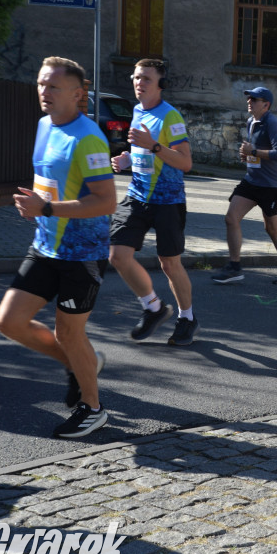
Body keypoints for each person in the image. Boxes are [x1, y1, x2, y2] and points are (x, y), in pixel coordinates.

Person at [0, 57, 116, 438]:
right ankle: (84, 364)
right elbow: (52, 180)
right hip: (45, 245)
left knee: (69, 332)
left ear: (78, 94)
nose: (44, 92)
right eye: (41, 84)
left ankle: (93, 408)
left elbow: (106, 201)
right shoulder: (44, 125)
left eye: (53, 87)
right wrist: (37, 203)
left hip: (83, 253)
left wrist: (46, 207)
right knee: (8, 322)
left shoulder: (89, 137)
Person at [108, 59, 197, 346]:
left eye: (146, 78)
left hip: (168, 200)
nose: (139, 83)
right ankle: (153, 307)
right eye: (136, 77)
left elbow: (185, 162)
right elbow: (143, 155)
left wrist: (154, 146)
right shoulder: (136, 111)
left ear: (161, 84)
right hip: (137, 196)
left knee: (170, 264)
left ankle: (187, 317)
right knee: (117, 254)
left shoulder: (170, 117)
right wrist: (127, 159)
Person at [212, 87, 277, 284]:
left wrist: (255, 151)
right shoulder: (251, 121)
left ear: (266, 104)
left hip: (271, 186)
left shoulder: (272, 123)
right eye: (249, 98)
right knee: (231, 218)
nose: (249, 101)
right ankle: (234, 266)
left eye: (254, 99)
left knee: (272, 229)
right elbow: (256, 152)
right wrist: (248, 155)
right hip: (252, 181)